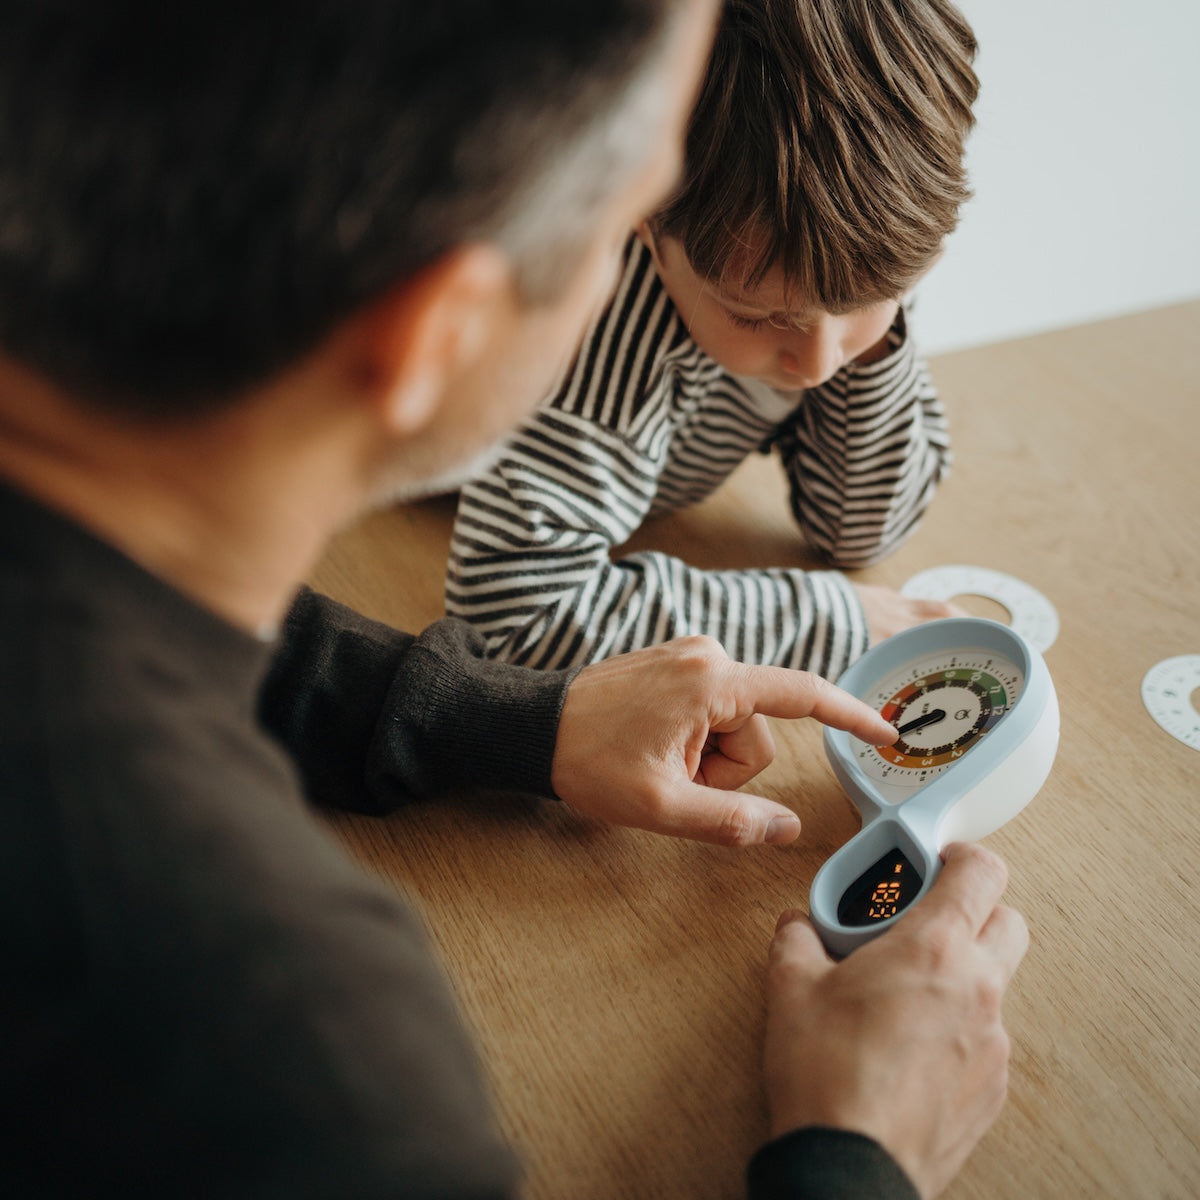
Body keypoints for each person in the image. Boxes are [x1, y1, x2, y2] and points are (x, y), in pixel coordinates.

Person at [0, 3, 1027, 1198]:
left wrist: (506, 723)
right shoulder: (311, 1077)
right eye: (617, 214)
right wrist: (858, 1157)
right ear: (439, 330)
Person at [446, 0, 978, 681]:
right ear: (639, 214)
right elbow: (512, 614)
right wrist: (827, 620)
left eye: (869, 301)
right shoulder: (602, 324)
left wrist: (873, 337)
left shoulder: (833, 264)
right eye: (758, 318)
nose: (817, 364)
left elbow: (860, 529)